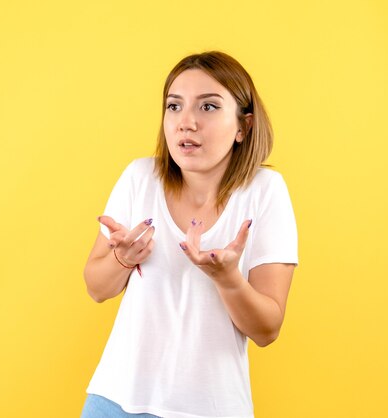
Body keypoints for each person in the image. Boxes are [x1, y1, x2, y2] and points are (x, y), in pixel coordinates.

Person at [81, 51, 298, 418]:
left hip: (211, 409)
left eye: (208, 107)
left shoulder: (265, 191)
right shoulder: (139, 177)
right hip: (114, 402)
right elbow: (96, 287)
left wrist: (228, 280)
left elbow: (267, 329)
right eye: (174, 106)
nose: (186, 123)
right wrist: (122, 259)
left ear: (244, 126)